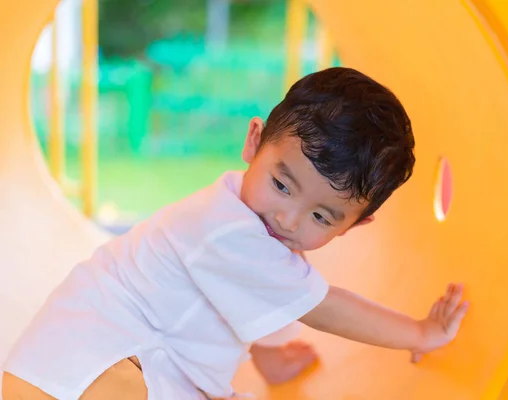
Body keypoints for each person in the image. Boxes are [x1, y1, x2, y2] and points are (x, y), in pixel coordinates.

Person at [1, 67, 469, 400]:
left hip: (132, 360)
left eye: (322, 217)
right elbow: (324, 308)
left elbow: (259, 303)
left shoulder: (266, 244)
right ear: (253, 142)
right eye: (281, 184)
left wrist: (269, 360)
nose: (288, 218)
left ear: (356, 225)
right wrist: (420, 333)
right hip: (91, 358)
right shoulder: (226, 228)